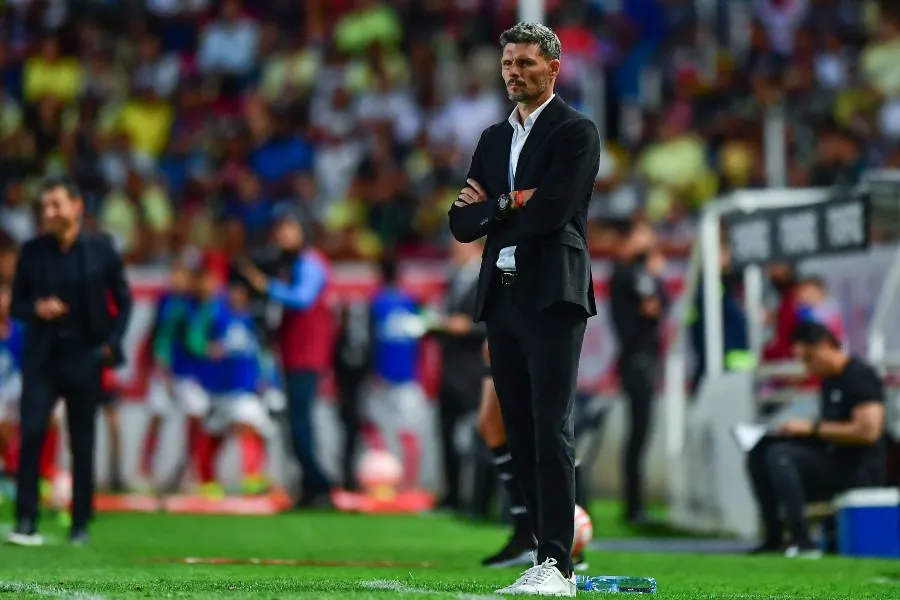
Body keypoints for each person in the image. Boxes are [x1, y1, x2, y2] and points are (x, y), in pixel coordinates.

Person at [448, 22, 602, 596]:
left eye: (527, 64)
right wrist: (512, 200)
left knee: (550, 429)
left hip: (552, 292)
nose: (515, 72)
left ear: (553, 69)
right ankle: (544, 557)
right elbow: (460, 224)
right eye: (509, 63)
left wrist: (495, 207)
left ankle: (559, 565)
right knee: (519, 432)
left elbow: (553, 214)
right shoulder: (492, 138)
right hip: (503, 295)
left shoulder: (575, 132)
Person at [6, 177, 132, 546]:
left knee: (83, 441)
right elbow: (17, 305)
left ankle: (80, 523)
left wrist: (111, 343)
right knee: (31, 433)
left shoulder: (102, 249)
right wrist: (37, 308)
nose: (48, 212)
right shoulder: (32, 251)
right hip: (42, 357)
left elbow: (124, 301)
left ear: (76, 206)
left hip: (85, 357)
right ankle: (26, 519)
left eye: (55, 205)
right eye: (44, 206)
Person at [747, 321, 886, 557]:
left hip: (859, 468)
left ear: (823, 346)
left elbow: (868, 431)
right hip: (834, 459)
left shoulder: (860, 375)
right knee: (760, 450)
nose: (807, 367)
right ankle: (773, 539)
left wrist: (812, 429)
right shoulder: (828, 382)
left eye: (809, 358)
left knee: (781, 456)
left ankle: (802, 541)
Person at [238, 207, 333, 508]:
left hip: (306, 354)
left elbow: (302, 298)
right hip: (293, 353)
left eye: (288, 227)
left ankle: (319, 484)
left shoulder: (310, 263)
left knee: (300, 423)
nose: (282, 234)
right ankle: (310, 485)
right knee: (296, 423)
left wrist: (266, 286)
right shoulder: (292, 263)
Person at [478, 340, 589, 571]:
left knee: (544, 421)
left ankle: (566, 536)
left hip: (538, 317)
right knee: (492, 424)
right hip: (502, 313)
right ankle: (525, 531)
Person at [609, 220, 668, 524]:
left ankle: (635, 504)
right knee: (638, 433)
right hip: (637, 360)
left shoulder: (635, 274)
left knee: (641, 433)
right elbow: (651, 308)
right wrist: (650, 273)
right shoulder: (630, 274)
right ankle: (633, 506)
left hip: (640, 359)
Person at [196, 275, 273, 495]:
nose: (236, 295)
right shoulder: (214, 313)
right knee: (215, 434)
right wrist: (206, 348)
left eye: (241, 291)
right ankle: (208, 481)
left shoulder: (253, 319)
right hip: (219, 387)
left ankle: (252, 477)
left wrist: (267, 378)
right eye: (233, 290)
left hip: (245, 386)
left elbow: (262, 351)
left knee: (249, 426)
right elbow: (193, 337)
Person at [138, 258, 203, 490]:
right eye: (175, 274)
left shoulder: (195, 303)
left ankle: (188, 469)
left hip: (187, 373)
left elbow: (196, 340)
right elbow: (156, 335)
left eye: (183, 275)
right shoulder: (164, 301)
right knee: (158, 416)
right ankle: (146, 469)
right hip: (163, 371)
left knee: (195, 416)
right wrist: (152, 366)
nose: (177, 279)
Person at [431, 238, 485, 511]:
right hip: (450, 368)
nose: (454, 249)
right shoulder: (454, 279)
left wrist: (468, 327)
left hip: (474, 370)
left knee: (478, 436)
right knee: (446, 432)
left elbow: (493, 324)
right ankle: (451, 495)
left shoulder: (491, 277)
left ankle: (477, 498)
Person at [367, 256, 425, 489]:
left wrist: (372, 370)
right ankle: (408, 482)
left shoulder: (376, 303)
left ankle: (385, 483)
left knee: (381, 430)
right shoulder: (412, 301)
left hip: (383, 376)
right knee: (409, 432)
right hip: (408, 376)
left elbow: (370, 341)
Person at [333, 301, 370, 490]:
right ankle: (347, 479)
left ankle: (356, 478)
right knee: (346, 440)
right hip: (346, 399)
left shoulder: (361, 341)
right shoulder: (341, 339)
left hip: (361, 398)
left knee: (359, 441)